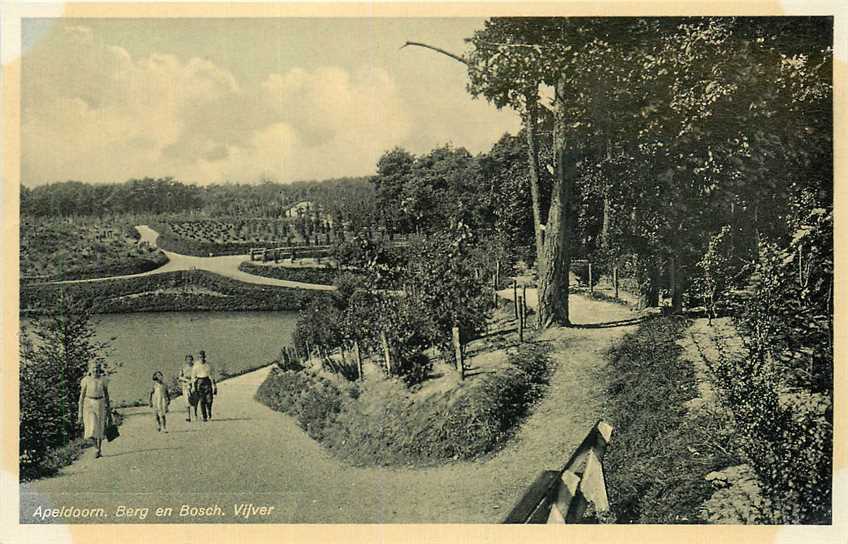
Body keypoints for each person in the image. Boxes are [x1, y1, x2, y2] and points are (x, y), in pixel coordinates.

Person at [77, 361, 111, 459]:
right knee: (91, 428)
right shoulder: (86, 380)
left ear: (99, 369)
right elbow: (81, 397)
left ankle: (99, 449)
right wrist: (80, 412)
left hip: (100, 402)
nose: (95, 370)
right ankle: (96, 448)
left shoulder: (103, 380)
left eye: (97, 368)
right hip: (89, 403)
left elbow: (107, 395)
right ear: (90, 369)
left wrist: (108, 408)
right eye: (93, 368)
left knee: (100, 427)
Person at [191, 350, 217, 422]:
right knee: (202, 400)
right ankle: (204, 416)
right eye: (200, 357)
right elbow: (193, 377)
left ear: (205, 357)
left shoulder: (209, 365)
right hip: (199, 382)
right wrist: (193, 387)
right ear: (198, 358)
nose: (201, 358)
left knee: (209, 400)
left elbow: (212, 375)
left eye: (202, 357)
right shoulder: (196, 365)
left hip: (207, 381)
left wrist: (214, 386)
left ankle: (209, 411)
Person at [178, 354, 198, 422]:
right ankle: (188, 416)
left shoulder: (195, 367)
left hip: (194, 385)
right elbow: (180, 377)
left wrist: (193, 380)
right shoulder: (183, 368)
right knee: (187, 401)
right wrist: (186, 380)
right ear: (186, 360)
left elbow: (198, 375)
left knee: (195, 400)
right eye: (188, 359)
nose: (189, 361)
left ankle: (195, 414)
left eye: (190, 359)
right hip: (186, 385)